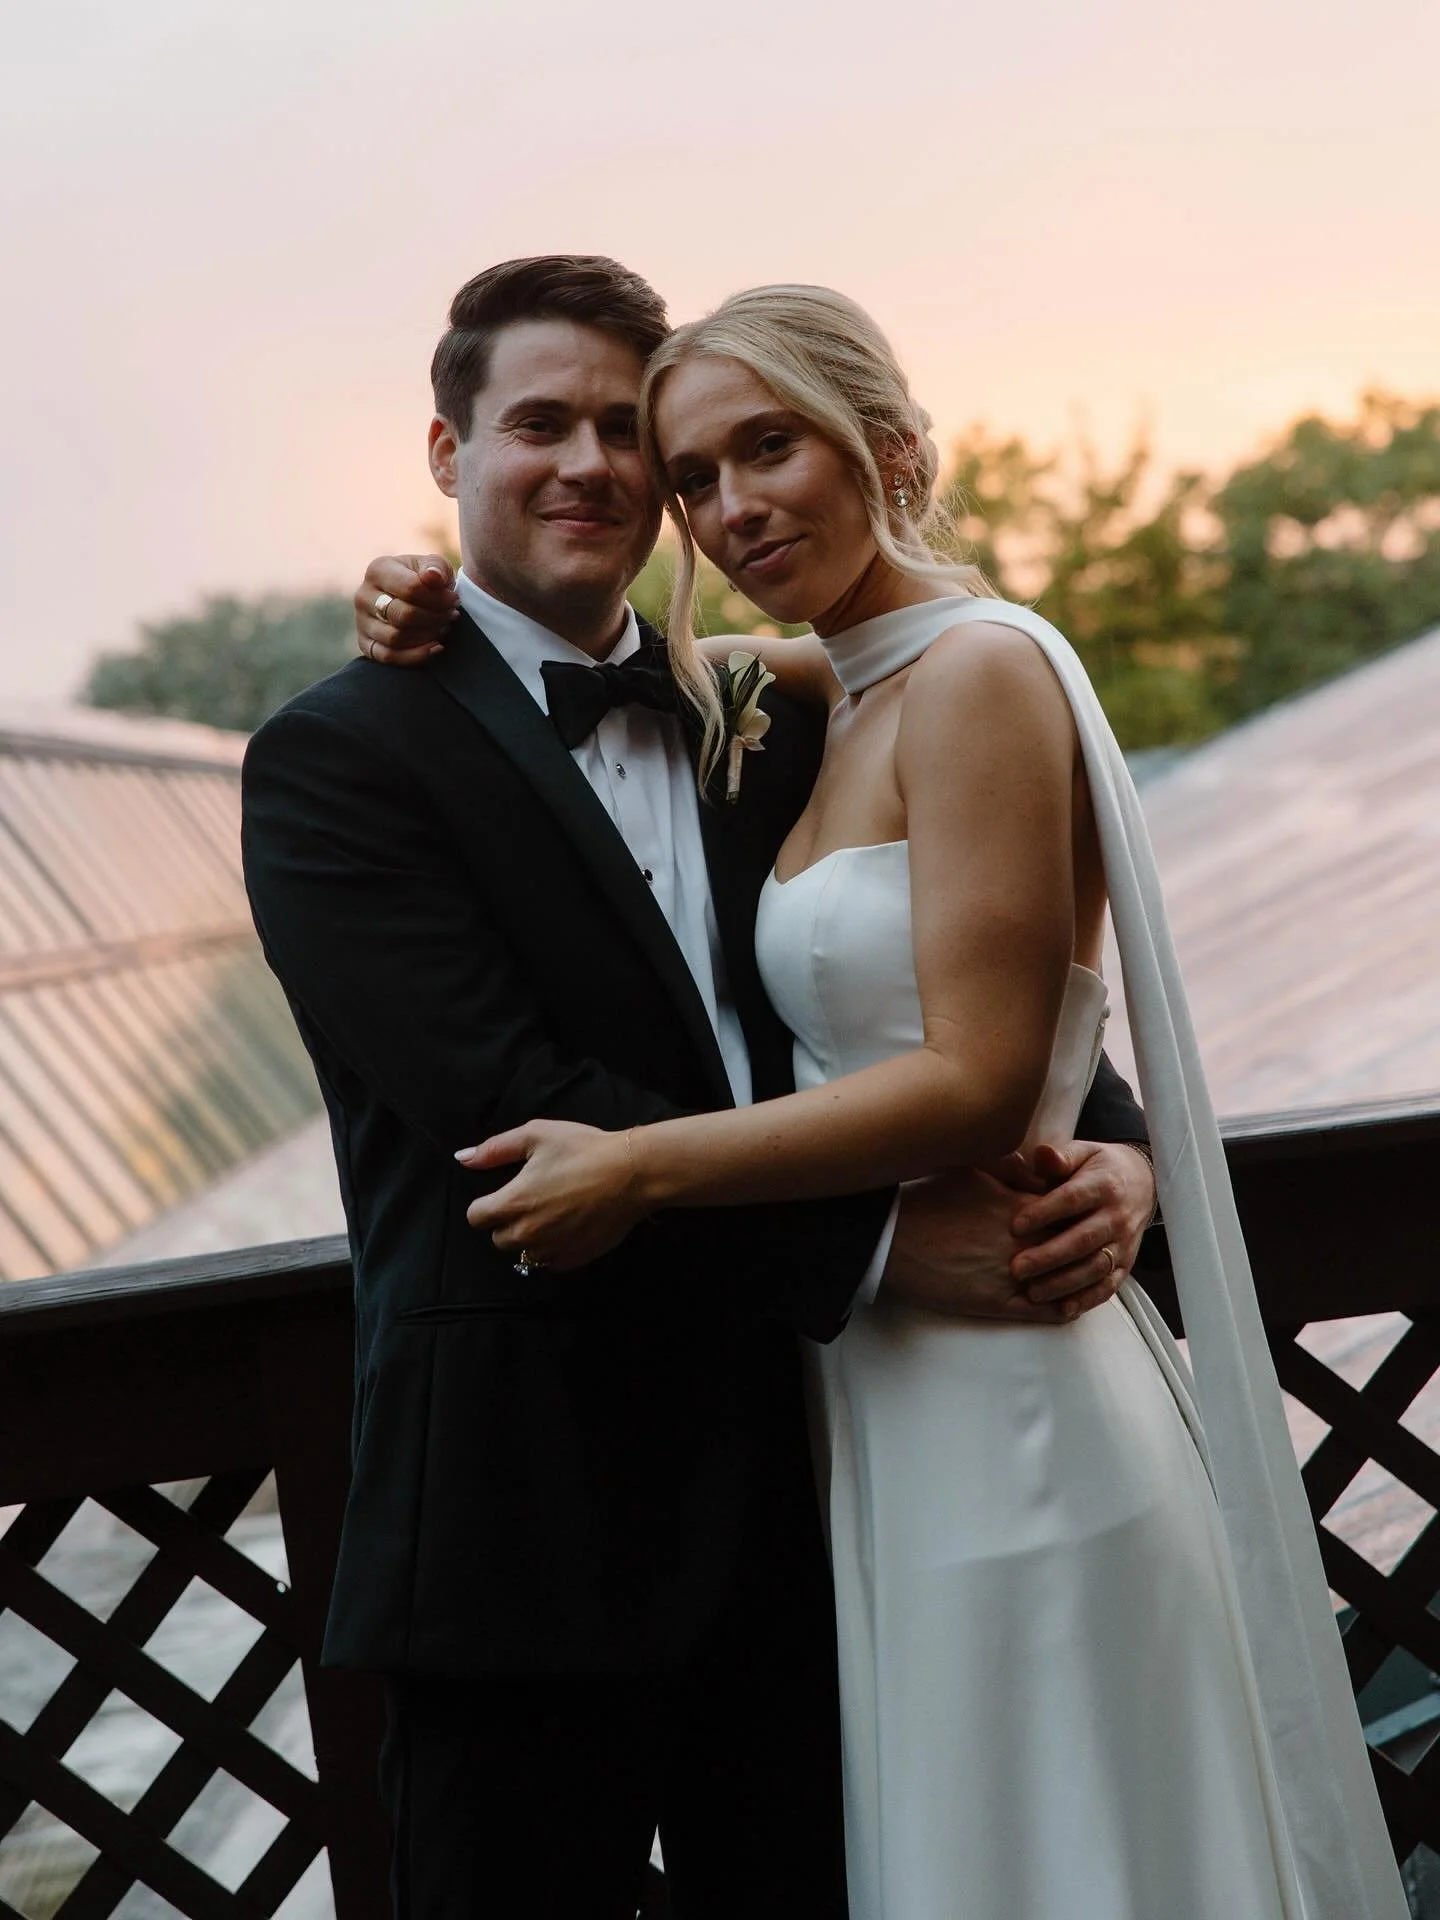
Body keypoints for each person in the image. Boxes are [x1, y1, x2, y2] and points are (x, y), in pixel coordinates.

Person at [376, 283, 1408, 1919]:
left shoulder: (980, 672)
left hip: (1014, 1402)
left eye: (763, 448)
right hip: (831, 1428)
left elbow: (988, 1066)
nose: (726, 506)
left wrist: (643, 1167)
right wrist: (411, 596)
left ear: (897, 450)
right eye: (698, 473)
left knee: (1077, 1845)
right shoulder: (790, 701)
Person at [244, 256, 1160, 1919]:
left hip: (818, 1510)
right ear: (448, 457)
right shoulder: (340, 757)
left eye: (624, 432)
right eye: (539, 424)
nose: (590, 465)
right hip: (528, 1539)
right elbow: (514, 1115)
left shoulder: (763, 706)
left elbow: (927, 973)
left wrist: (1110, 1148)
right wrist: (873, 1253)